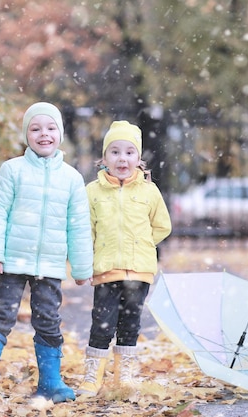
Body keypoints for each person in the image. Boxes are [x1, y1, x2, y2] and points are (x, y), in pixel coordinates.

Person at [0, 102, 93, 403]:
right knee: (1, 316)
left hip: (48, 265)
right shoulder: (12, 170)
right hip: (11, 261)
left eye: (50, 128)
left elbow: (78, 226)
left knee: (48, 319)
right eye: (35, 129)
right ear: (26, 135)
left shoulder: (72, 178)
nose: (43, 134)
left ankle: (50, 381)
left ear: (60, 135)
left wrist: (82, 267)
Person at [76, 120, 172, 396]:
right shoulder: (92, 193)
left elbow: (162, 226)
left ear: (138, 159)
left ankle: (124, 375)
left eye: (129, 152)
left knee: (130, 322)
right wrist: (89, 259)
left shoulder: (148, 191)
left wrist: (141, 244)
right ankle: (92, 375)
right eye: (115, 151)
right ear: (104, 158)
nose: (122, 158)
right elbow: (87, 230)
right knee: (102, 321)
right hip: (106, 269)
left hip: (138, 271)